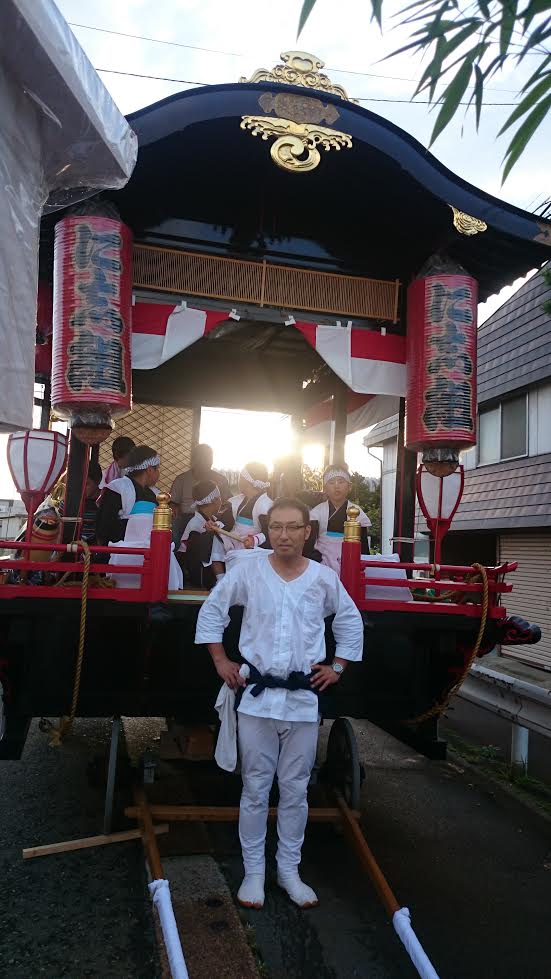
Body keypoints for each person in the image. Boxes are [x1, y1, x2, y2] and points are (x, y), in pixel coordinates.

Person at [195, 498, 364, 910]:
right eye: (276, 527)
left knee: (295, 789)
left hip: (302, 701)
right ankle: (254, 871)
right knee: (255, 787)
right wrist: (220, 661)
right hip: (257, 700)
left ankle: (289, 870)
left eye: (293, 527)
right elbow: (213, 610)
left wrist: (337, 667)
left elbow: (349, 620)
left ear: (307, 532)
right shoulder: (249, 572)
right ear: (267, 531)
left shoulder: (323, 579)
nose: (284, 535)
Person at [97, 444, 182, 590]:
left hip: (151, 555)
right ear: (149, 469)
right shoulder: (117, 488)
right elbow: (104, 526)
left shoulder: (154, 494)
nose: (158, 473)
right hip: (122, 554)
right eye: (157, 469)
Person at [309, 464, 371, 574]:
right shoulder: (316, 513)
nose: (336, 486)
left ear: (349, 486)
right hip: (322, 562)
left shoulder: (357, 512)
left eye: (341, 482)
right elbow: (310, 546)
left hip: (350, 561)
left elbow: (363, 547)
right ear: (325, 488)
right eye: (331, 482)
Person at [178, 479, 233, 589]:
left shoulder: (212, 520)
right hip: (197, 575)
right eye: (219, 497)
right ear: (215, 500)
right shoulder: (196, 524)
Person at [170, 444, 230, 517]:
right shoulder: (181, 479)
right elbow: (172, 503)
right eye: (202, 458)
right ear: (194, 460)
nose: (205, 462)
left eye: (209, 458)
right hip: (186, 519)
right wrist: (173, 508)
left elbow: (228, 503)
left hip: (213, 519)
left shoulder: (221, 480)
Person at [58, 461, 102, 544]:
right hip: (71, 546)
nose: (82, 488)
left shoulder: (105, 501)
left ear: (98, 481)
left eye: (87, 484)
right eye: (79, 483)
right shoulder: (67, 503)